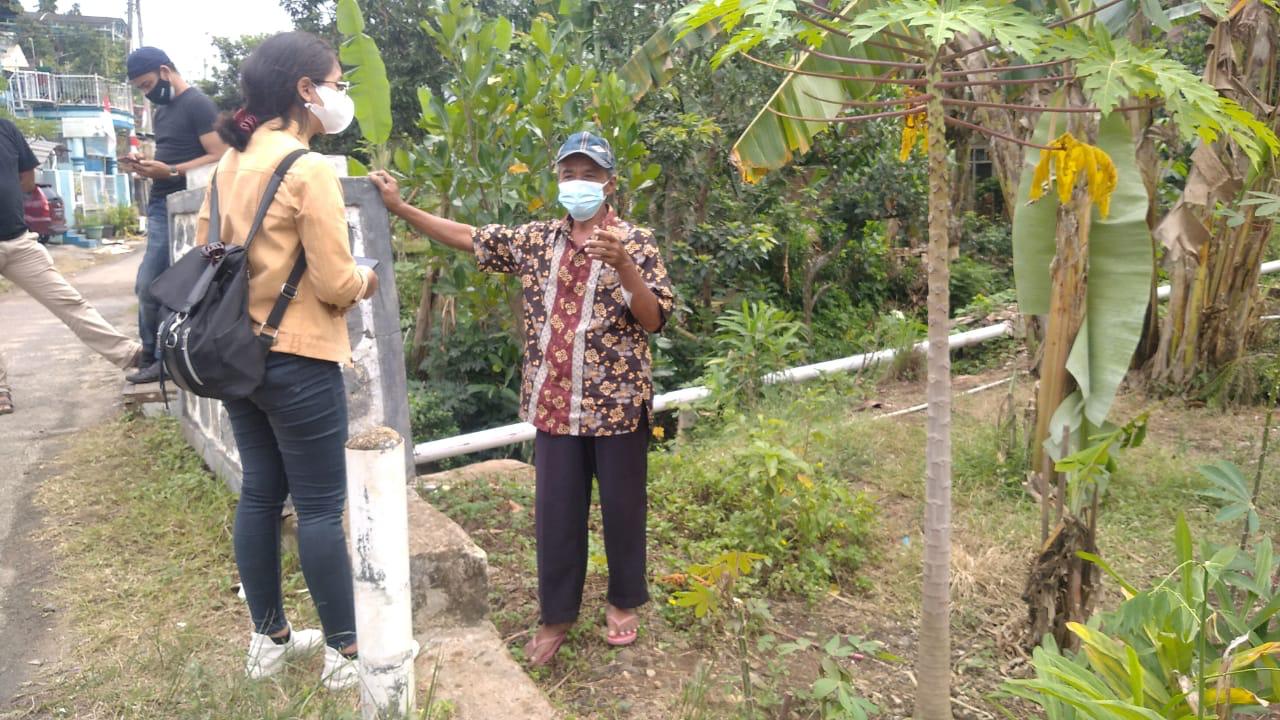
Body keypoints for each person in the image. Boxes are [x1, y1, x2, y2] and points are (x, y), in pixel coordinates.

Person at [369, 131, 675, 665]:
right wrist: (400, 207)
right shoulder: (538, 240)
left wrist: (624, 265)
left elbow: (652, 319)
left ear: (610, 181)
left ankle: (624, 601)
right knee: (556, 515)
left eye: (589, 174)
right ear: (558, 180)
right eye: (568, 174)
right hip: (555, 405)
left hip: (618, 404)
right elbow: (469, 237)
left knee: (624, 509)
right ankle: (557, 614)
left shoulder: (636, 241)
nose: (578, 183)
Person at [201, 31, 377, 689]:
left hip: (236, 358)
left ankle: (270, 638)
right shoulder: (307, 170)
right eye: (335, 80)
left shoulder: (227, 165)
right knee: (322, 505)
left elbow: (209, 260)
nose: (340, 93)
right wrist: (367, 281)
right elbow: (335, 284)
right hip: (300, 358)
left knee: (260, 494)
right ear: (306, 90)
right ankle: (344, 654)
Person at [0, 117, 142, 415]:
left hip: (17, 240)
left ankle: (131, 355)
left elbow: (26, 178)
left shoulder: (6, 129)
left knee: (68, 301)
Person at [123, 47, 227, 384]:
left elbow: (219, 155)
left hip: (189, 205)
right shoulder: (163, 111)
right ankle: (155, 358)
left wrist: (169, 171)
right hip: (159, 204)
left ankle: (158, 360)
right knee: (152, 285)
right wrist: (148, 168)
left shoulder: (198, 104)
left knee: (153, 285)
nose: (147, 92)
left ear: (166, 71)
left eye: (147, 84)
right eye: (141, 88)